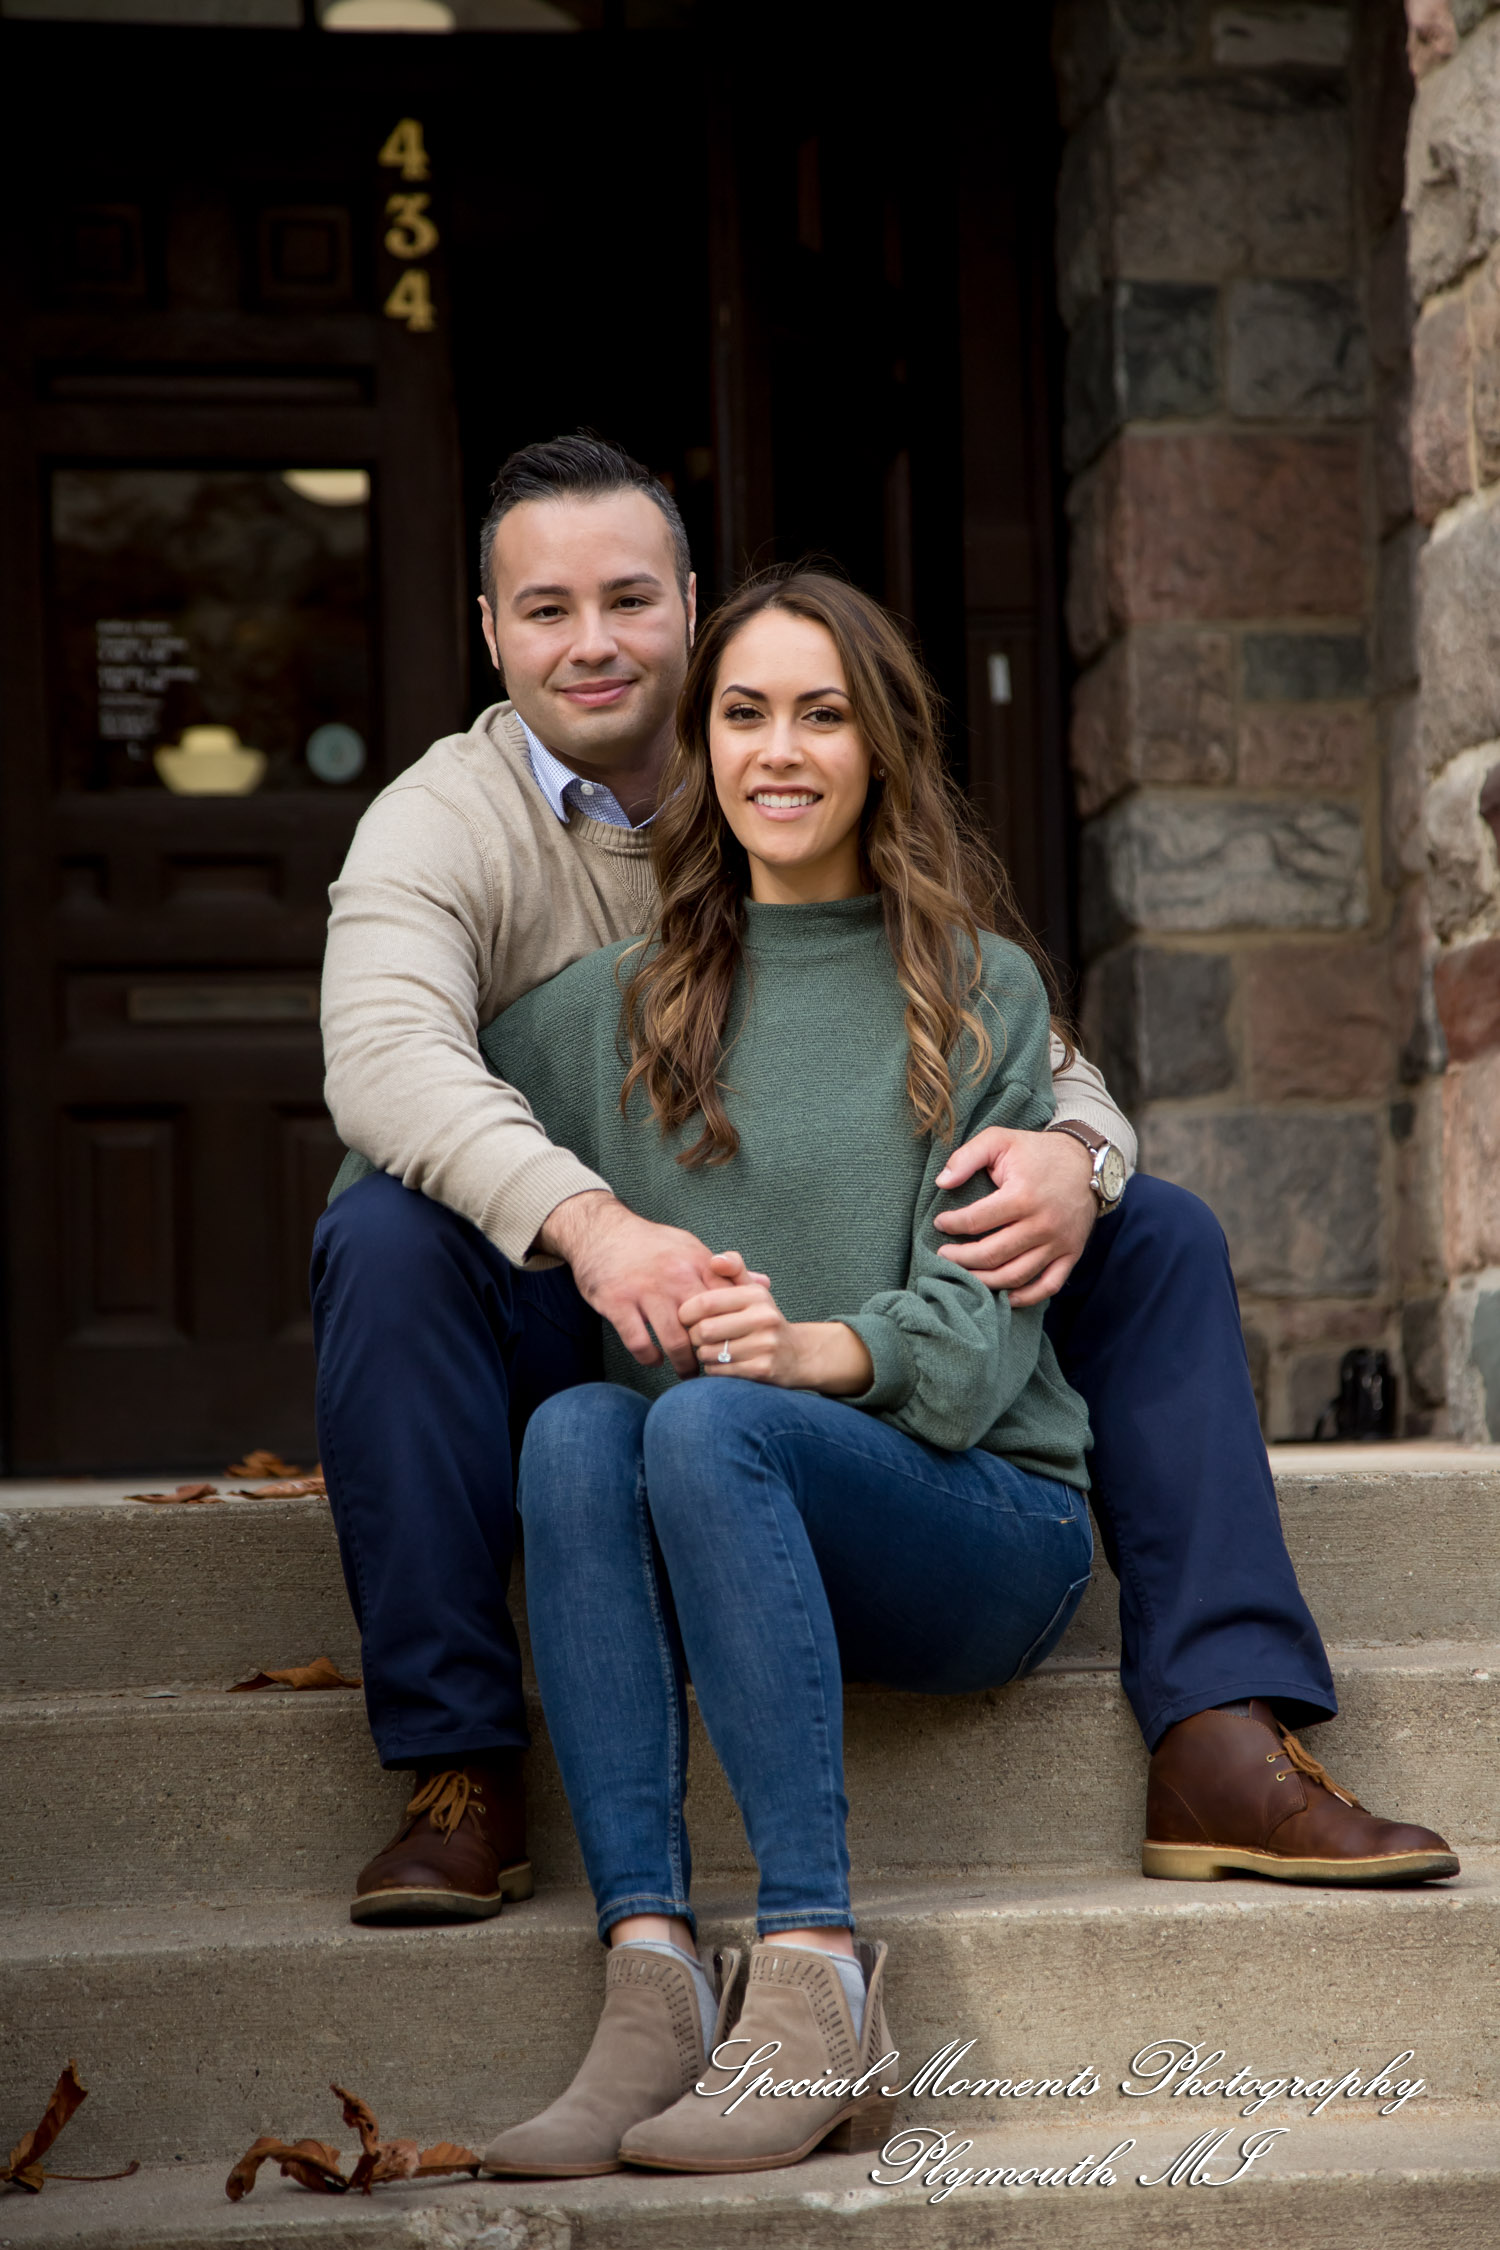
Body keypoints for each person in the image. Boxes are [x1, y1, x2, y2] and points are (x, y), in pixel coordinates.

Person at [312, 432, 1451, 1930]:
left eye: (632, 601)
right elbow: (385, 1058)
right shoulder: (445, 825)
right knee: (384, 1238)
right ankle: (463, 1760)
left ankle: (1220, 1721)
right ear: (488, 630)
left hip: (838, 1313)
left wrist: (1076, 1157)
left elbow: (1009, 1040)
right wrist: (592, 1228)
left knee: (1154, 1227)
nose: (592, 643)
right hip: (578, 1306)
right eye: (544, 609)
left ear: (694, 605)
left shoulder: (819, 814)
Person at [470, 572, 1456, 2180]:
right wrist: (582, 1229)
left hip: (975, 1524)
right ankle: (648, 1980)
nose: (777, 750)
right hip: (723, 1510)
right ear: (699, 746)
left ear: (881, 745)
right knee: (583, 1424)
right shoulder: (611, 1007)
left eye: (821, 711)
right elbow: (417, 1133)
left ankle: (817, 1971)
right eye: (741, 712)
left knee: (712, 1413)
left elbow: (978, 1341)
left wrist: (809, 1350)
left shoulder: (973, 987)